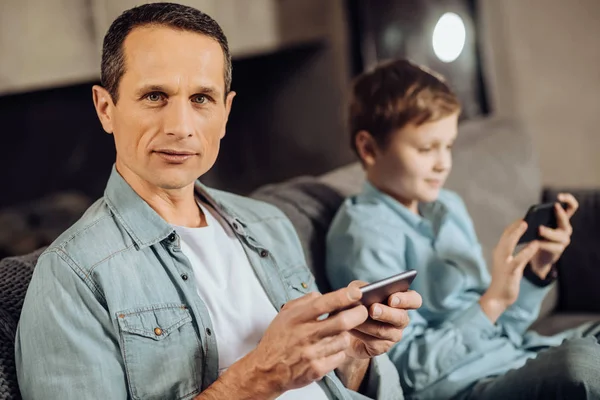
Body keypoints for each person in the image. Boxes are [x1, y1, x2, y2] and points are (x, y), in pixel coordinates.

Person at [15, 4, 423, 399]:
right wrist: (258, 378)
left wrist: (350, 356)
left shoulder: (268, 223)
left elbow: (331, 386)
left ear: (225, 113)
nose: (180, 127)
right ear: (106, 108)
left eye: (201, 99)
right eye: (155, 96)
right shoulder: (72, 276)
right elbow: (270, 374)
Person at [325, 59, 600, 400]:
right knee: (583, 365)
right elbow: (405, 372)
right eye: (426, 149)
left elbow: (505, 328)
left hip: (517, 355)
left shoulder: (449, 207)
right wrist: (492, 301)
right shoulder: (364, 235)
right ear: (368, 148)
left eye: (449, 146)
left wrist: (536, 270)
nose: (443, 163)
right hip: (463, 386)